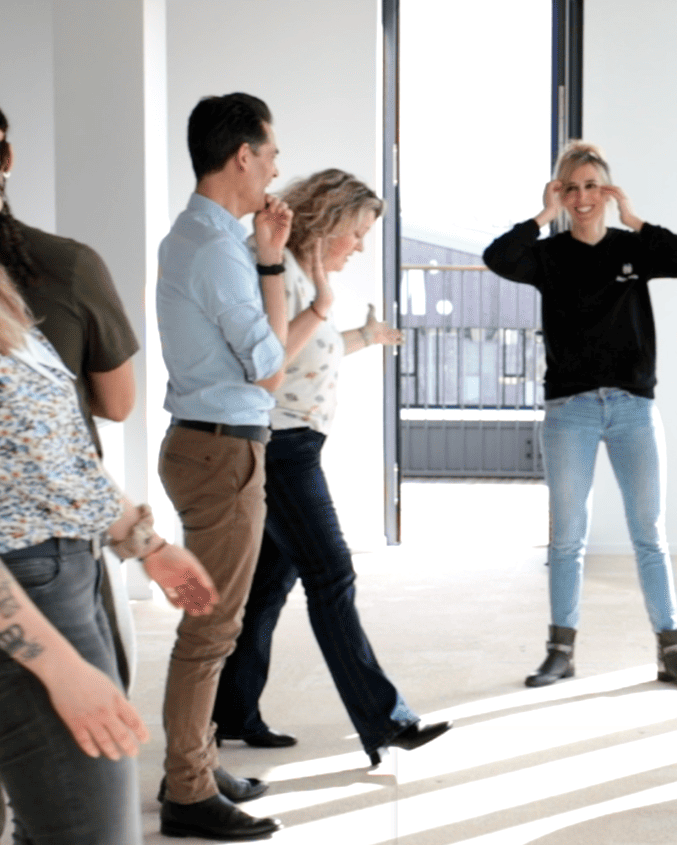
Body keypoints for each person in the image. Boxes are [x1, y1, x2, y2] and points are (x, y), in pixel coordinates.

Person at [212, 168, 450, 767]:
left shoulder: (295, 273)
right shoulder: (274, 270)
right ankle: (386, 719)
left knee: (268, 586)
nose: (361, 246)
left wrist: (362, 335)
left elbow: (306, 349)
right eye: (359, 232)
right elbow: (269, 361)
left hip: (295, 444)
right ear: (331, 220)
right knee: (332, 574)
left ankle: (232, 711)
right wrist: (322, 304)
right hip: (283, 448)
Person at [0, 263, 219, 845]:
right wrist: (60, 668)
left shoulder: (7, 302)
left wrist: (146, 543)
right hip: (25, 599)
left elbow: (62, 456)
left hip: (68, 572)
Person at [484, 140, 677, 690]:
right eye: (570, 188)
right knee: (567, 538)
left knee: (649, 534)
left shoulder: (634, 248)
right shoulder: (547, 256)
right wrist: (542, 216)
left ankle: (671, 653)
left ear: (605, 191)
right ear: (560, 194)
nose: (581, 198)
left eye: (590, 186)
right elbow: (497, 257)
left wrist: (635, 219)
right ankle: (560, 653)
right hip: (571, 411)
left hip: (633, 409)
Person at [155, 92, 288, 841]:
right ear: (243, 156)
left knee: (212, 621)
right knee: (210, 630)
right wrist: (271, 262)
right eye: (271, 155)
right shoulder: (215, 249)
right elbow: (270, 367)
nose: (274, 170)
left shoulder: (203, 236)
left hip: (207, 443)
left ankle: (196, 762)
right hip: (221, 450)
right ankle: (188, 789)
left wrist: (261, 253)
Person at [0, 105, 144, 695]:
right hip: (44, 558)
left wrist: (145, 540)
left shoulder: (19, 295)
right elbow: (116, 404)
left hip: (69, 540)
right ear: (9, 159)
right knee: (91, 731)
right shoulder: (64, 266)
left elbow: (57, 442)